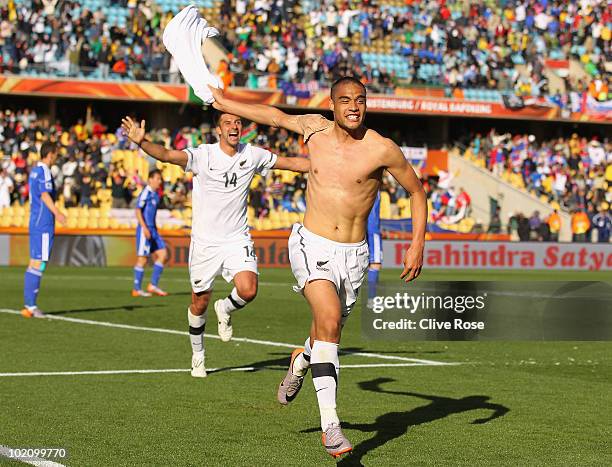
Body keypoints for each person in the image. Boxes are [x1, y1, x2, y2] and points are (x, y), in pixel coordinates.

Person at [209, 76, 427, 458]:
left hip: (355, 255)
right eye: (345, 100)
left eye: (360, 100)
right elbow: (271, 116)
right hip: (311, 243)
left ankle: (301, 360)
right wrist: (224, 101)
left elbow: (416, 191)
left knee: (326, 334)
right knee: (328, 321)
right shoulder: (314, 129)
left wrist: (417, 243)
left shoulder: (382, 148)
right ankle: (331, 427)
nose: (354, 106)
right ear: (332, 104)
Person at [120, 113, 310, 378]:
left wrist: (326, 164)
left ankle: (226, 308)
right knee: (199, 303)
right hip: (205, 243)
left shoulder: (252, 155)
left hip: (237, 238)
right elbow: (166, 155)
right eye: (227, 123)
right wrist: (143, 143)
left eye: (237, 123)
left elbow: (289, 163)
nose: (234, 126)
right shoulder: (203, 155)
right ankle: (198, 355)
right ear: (219, 131)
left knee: (249, 289)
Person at [21, 142, 67, 318]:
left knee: (34, 262)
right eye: (55, 154)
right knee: (39, 262)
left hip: (36, 221)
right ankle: (31, 306)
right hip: (44, 223)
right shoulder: (44, 171)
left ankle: (29, 305)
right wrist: (58, 213)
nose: (56, 158)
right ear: (50, 154)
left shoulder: (34, 171)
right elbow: (44, 194)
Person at [132, 169, 169, 297]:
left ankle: (152, 285)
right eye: (157, 179)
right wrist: (144, 228)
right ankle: (136, 289)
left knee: (163, 255)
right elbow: (137, 211)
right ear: (150, 179)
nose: (159, 181)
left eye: (160, 179)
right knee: (142, 259)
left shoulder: (155, 195)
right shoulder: (146, 193)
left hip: (154, 230)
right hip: (145, 230)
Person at [366, 191, 382, 306]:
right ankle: (372, 300)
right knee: (375, 264)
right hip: (373, 230)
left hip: (359, 229)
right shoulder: (373, 186)